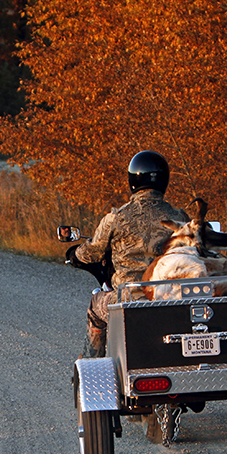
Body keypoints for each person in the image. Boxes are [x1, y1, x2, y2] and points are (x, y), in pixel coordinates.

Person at [71, 150, 190, 359]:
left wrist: (75, 254)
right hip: (170, 296)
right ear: (164, 179)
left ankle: (92, 364)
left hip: (127, 297)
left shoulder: (117, 217)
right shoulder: (179, 216)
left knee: (95, 307)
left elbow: (92, 251)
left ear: (133, 179)